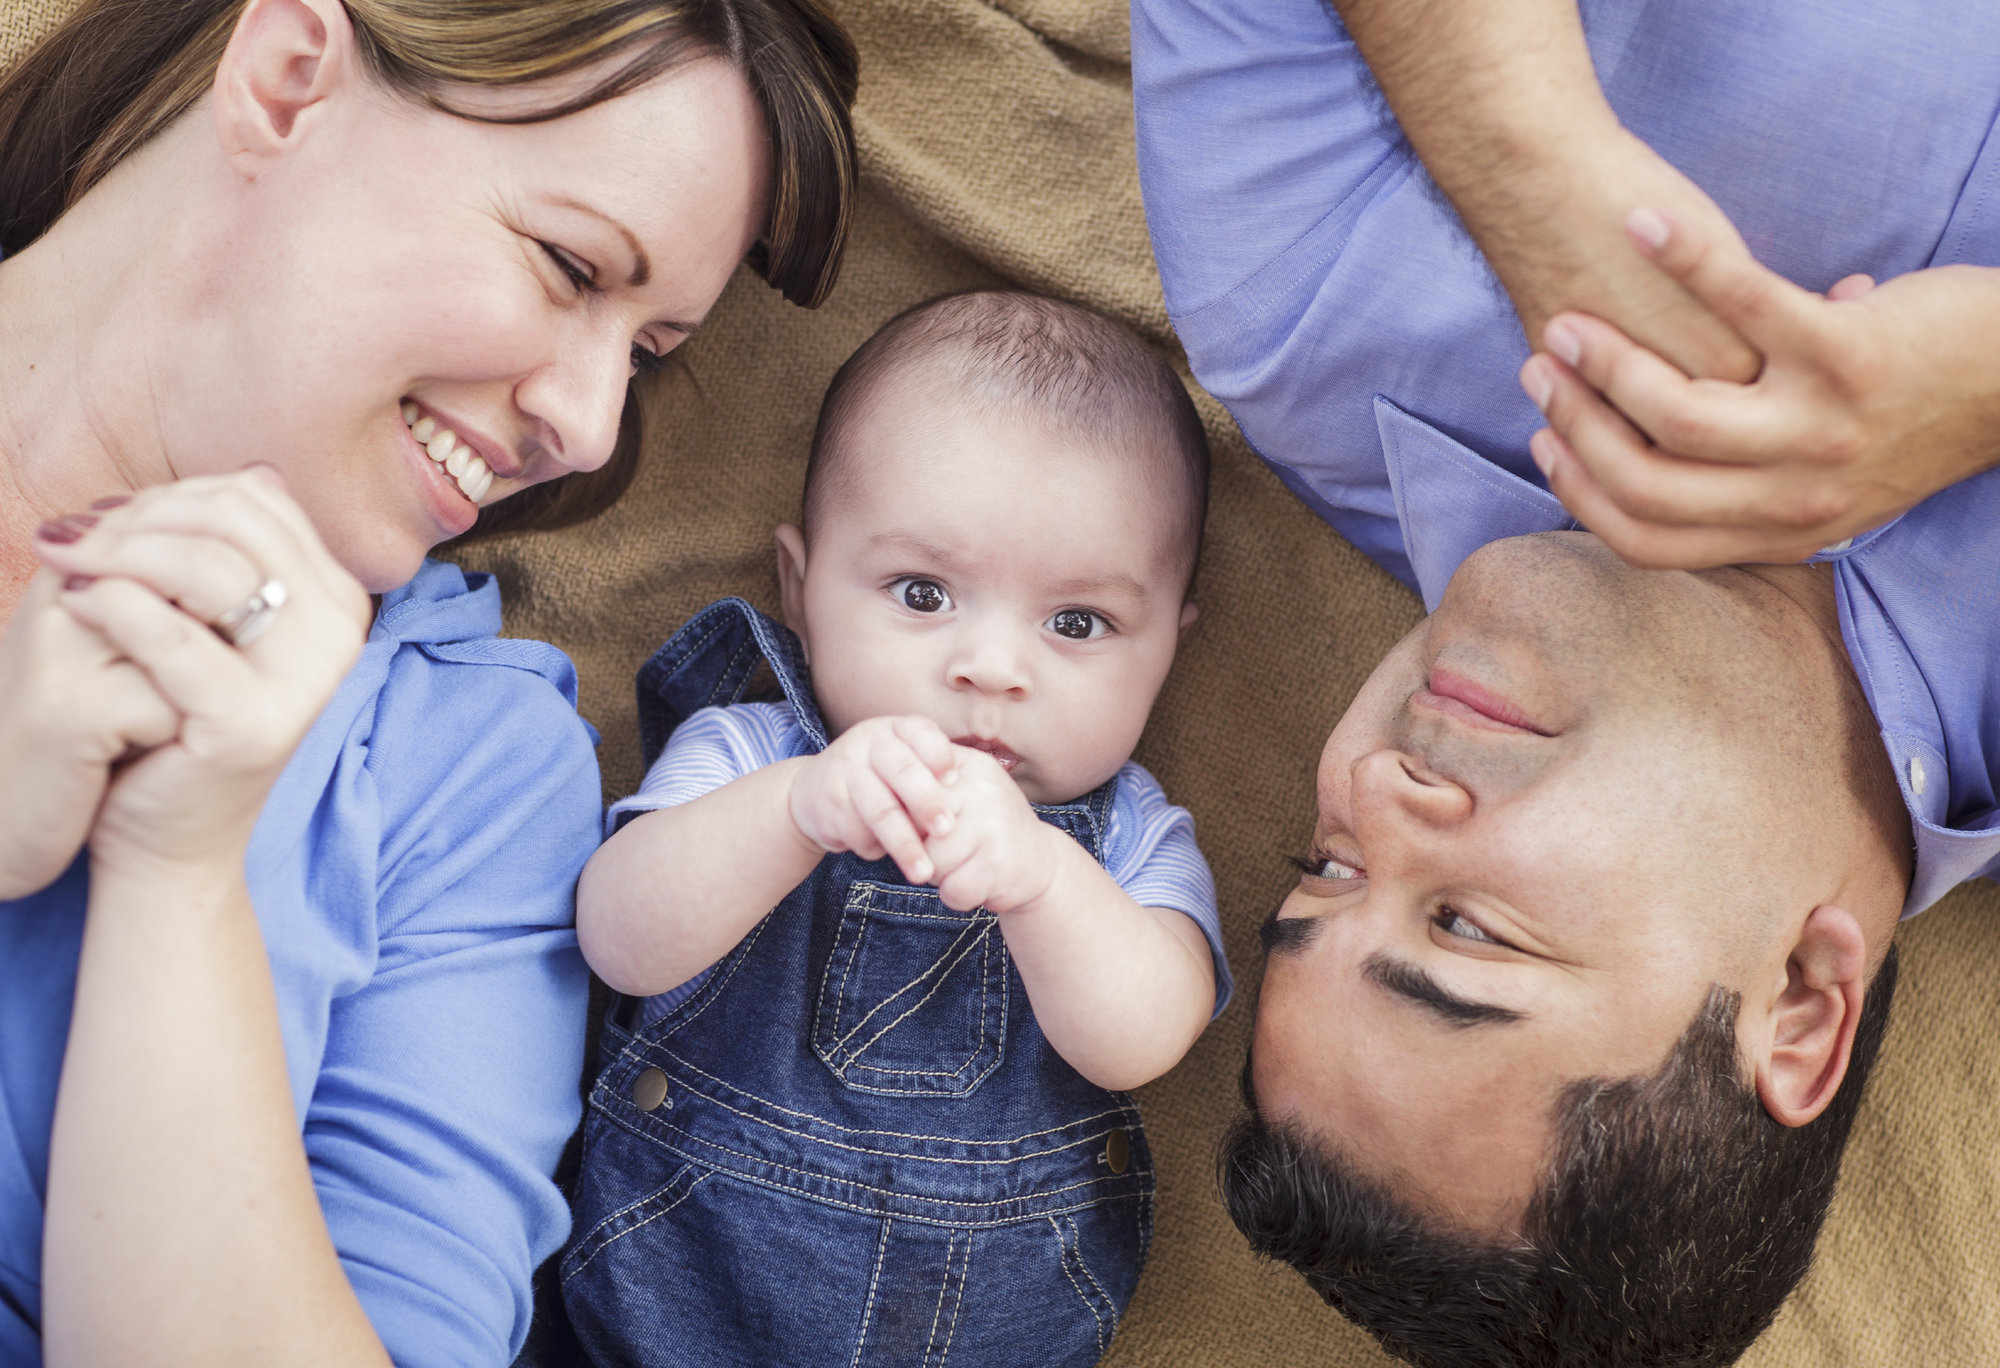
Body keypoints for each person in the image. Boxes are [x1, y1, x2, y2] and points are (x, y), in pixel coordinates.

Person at [1132, 0, 2000, 1363]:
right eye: (1470, 930)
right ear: (1802, 1005)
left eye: (1330, 868)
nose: (1377, 784)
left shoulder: (1300, 320)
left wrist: (1529, 162)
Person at [0, 0, 856, 1364]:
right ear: (286, 83)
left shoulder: (475, 772)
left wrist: (176, 875)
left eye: (645, 353)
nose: (586, 426)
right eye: (574, 267)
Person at [559, 291, 1230, 1368]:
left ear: (1169, 647)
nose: (991, 669)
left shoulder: (1125, 837)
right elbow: (619, 940)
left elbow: (1144, 1042)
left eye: (1077, 624)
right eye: (922, 593)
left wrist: (1043, 884)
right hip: (675, 1293)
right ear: (801, 585)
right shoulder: (754, 754)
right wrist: (792, 812)